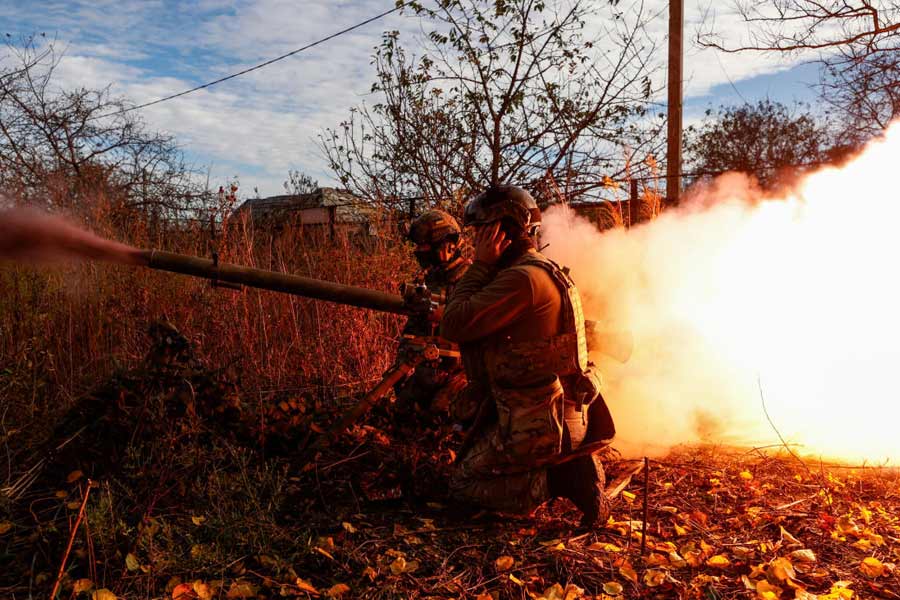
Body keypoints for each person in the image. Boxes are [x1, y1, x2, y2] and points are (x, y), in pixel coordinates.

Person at [440, 185, 614, 526]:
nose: (475, 242)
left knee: (462, 484)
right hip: (555, 415)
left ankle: (563, 480)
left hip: (538, 424)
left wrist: (480, 266)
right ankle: (565, 466)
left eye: (480, 233)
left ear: (499, 231)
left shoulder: (521, 280)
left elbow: (454, 323)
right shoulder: (541, 270)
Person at [394, 209, 472, 416]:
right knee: (403, 409)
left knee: (441, 413)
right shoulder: (430, 280)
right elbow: (413, 329)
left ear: (448, 245)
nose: (420, 251)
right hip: (430, 370)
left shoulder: (473, 281)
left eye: (425, 246)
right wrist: (401, 362)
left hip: (463, 374)